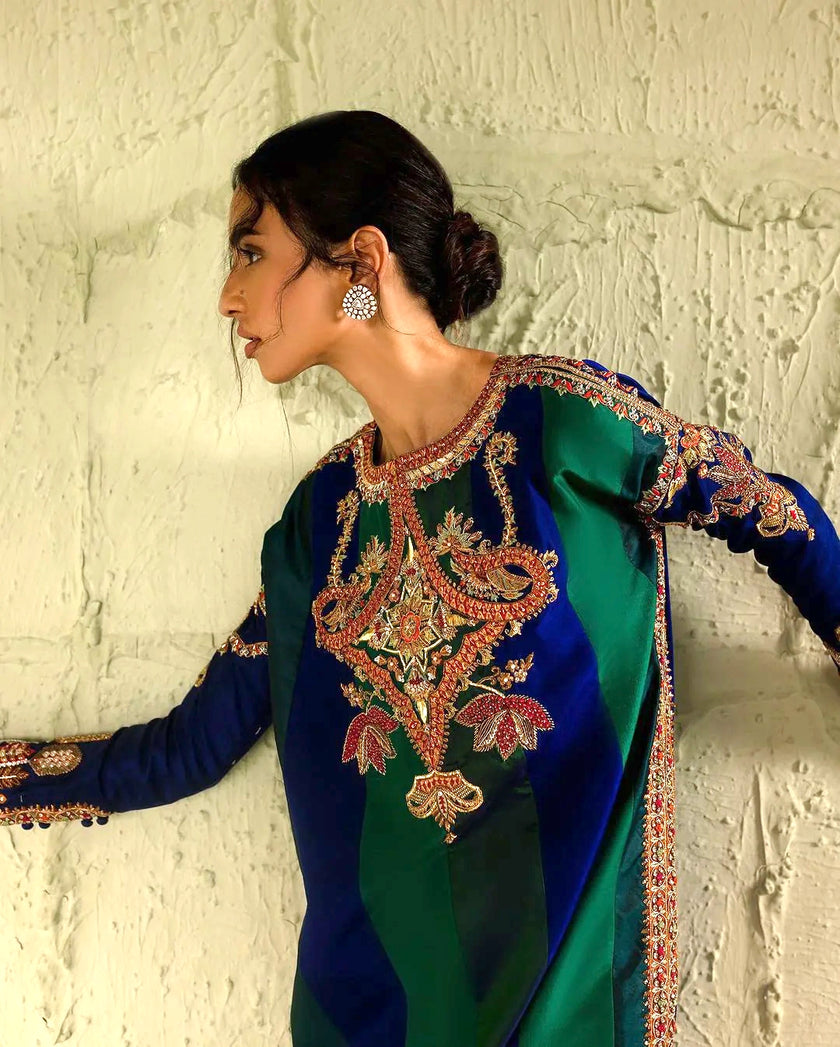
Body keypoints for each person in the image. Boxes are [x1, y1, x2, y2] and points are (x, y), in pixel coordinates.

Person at [2, 109, 838, 1047]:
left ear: (358, 262)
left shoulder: (563, 426)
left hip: (568, 1014)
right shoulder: (317, 525)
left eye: (249, 251)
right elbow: (196, 742)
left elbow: (778, 515)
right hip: (367, 1020)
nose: (227, 298)